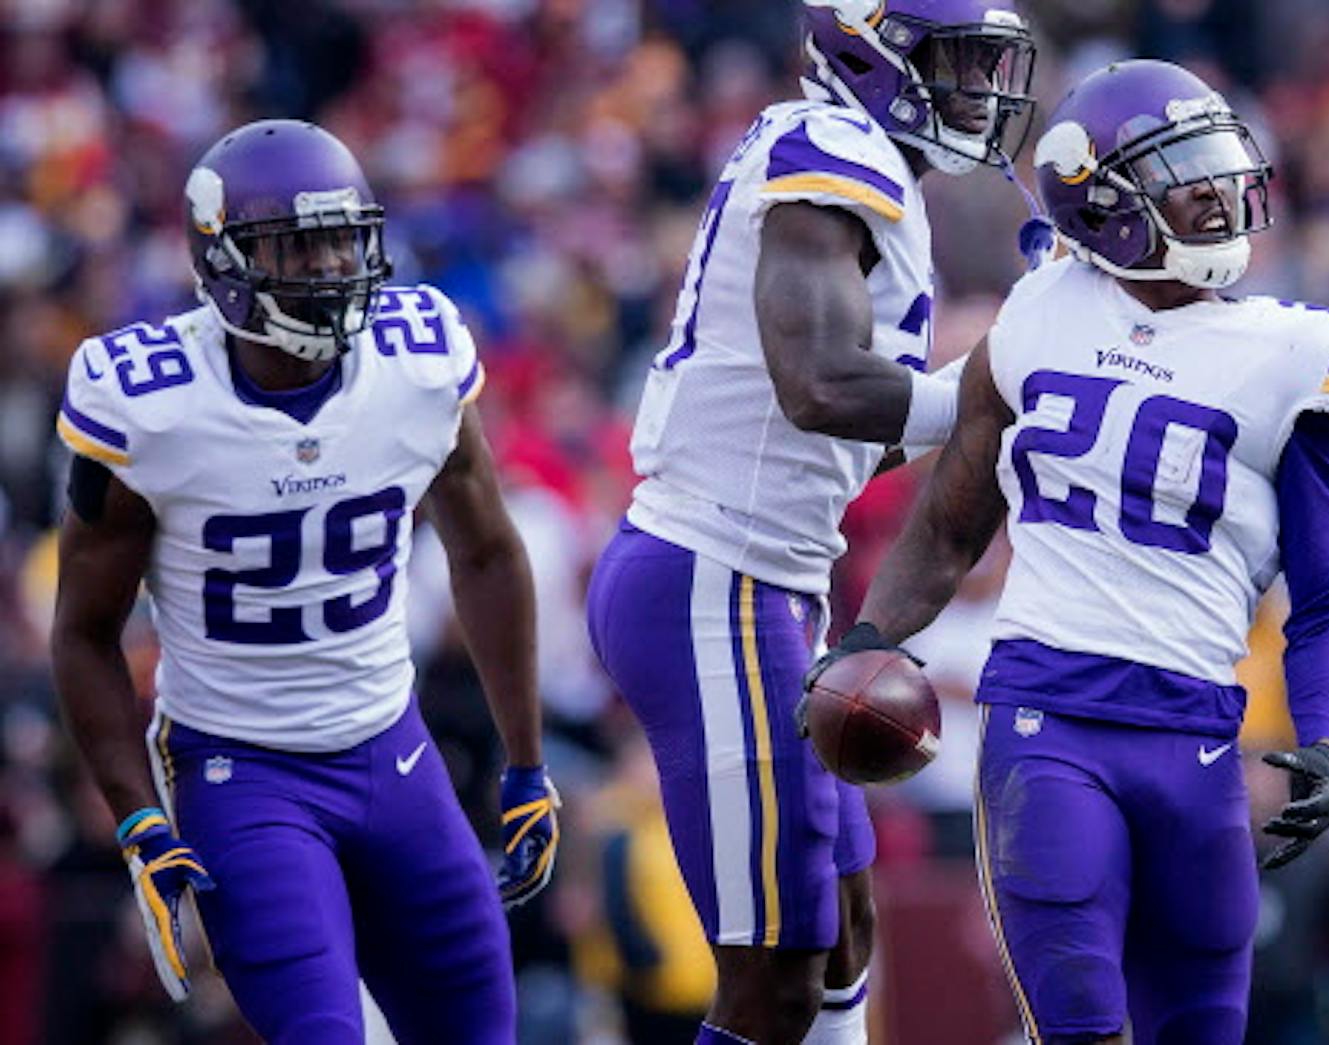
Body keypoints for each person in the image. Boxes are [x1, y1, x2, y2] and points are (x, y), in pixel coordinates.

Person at [810, 59, 1329, 1044]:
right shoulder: (1040, 311)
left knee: (1202, 1027)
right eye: (1183, 173)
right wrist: (865, 635)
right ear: (1107, 203)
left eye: (1217, 163)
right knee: (1080, 1025)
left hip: (1198, 734)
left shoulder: (1301, 354)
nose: (1219, 193)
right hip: (1048, 721)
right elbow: (952, 524)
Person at [51, 119, 559, 1044]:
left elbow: (485, 551)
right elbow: (85, 630)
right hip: (242, 772)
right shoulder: (148, 405)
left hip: (394, 751)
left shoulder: (418, 361)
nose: (329, 267)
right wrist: (140, 821)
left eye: (343, 238)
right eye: (298, 244)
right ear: (223, 261)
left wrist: (526, 762)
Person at [586, 3, 1037, 1042]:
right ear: (870, 52)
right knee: (775, 977)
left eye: (986, 66)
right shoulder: (832, 145)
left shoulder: (854, 157)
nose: (979, 90)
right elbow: (822, 386)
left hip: (764, 580)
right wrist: (991, 386)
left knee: (840, 929)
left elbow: (853, 434)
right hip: (716, 578)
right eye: (956, 64)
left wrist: (975, 399)